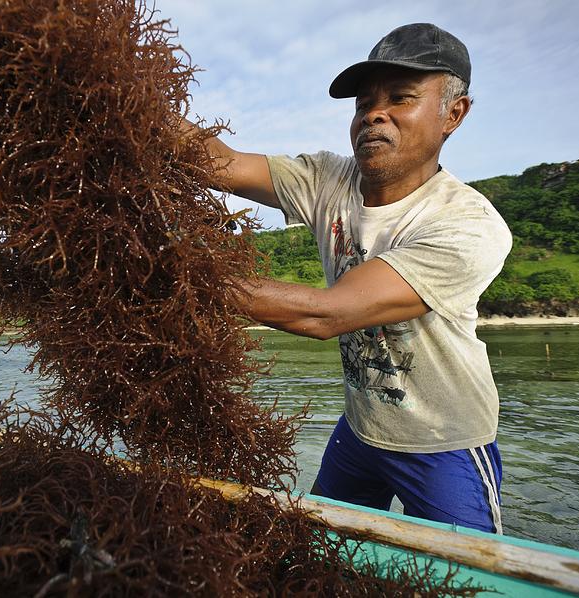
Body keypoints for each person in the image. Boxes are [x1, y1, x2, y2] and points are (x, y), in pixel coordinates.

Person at [196, 23, 511, 533]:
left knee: (472, 578)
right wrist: (126, 100)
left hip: (443, 442)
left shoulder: (468, 226)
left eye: (401, 98)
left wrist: (178, 274)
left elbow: (327, 313)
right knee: (314, 553)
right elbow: (221, 162)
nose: (374, 114)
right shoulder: (328, 180)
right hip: (361, 432)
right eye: (364, 103)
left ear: (454, 113)